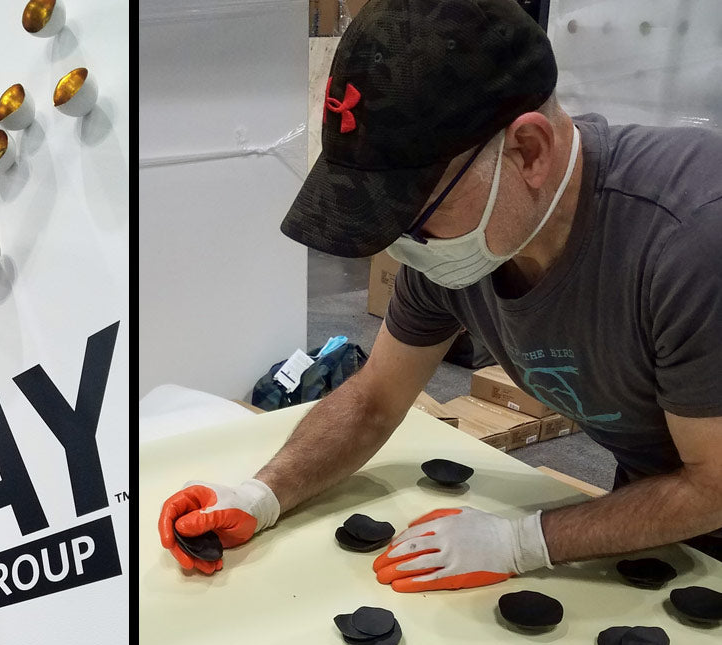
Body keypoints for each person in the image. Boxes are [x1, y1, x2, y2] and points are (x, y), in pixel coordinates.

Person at [158, 0, 722, 588]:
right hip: (668, 515)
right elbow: (374, 398)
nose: (404, 245)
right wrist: (263, 493)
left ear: (528, 151)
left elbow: (713, 487)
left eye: (415, 212)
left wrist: (523, 541)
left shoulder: (691, 238)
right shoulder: (465, 246)